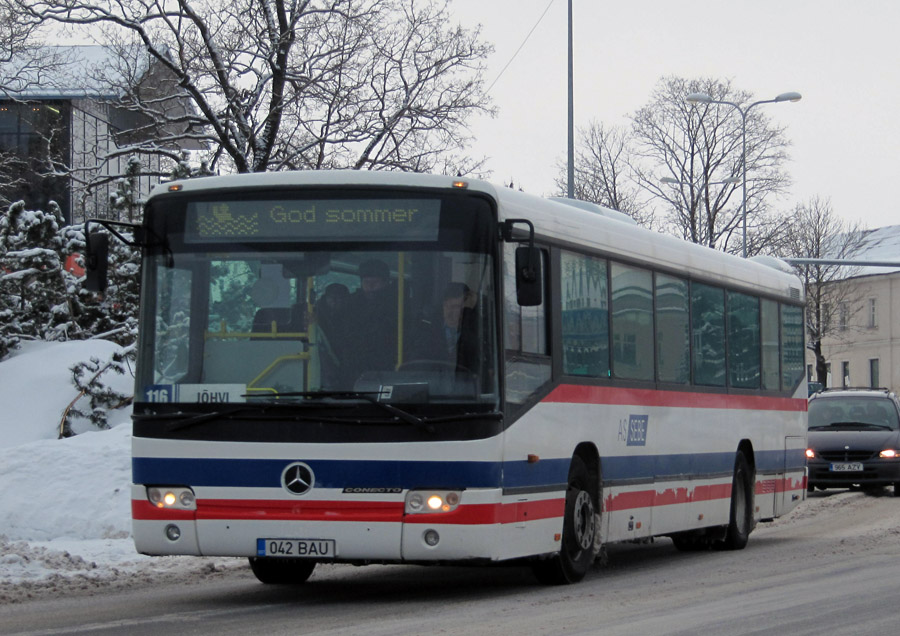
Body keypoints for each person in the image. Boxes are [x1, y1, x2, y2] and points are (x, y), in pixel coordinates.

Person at [343, 259, 398, 383]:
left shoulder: (397, 305)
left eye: (375, 282)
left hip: (386, 363)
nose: (370, 286)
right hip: (355, 364)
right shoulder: (350, 304)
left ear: (386, 283)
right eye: (366, 282)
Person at [410, 282, 478, 371]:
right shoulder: (427, 329)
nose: (449, 312)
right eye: (446, 306)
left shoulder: (475, 331)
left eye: (455, 307)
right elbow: (417, 360)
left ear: (465, 308)